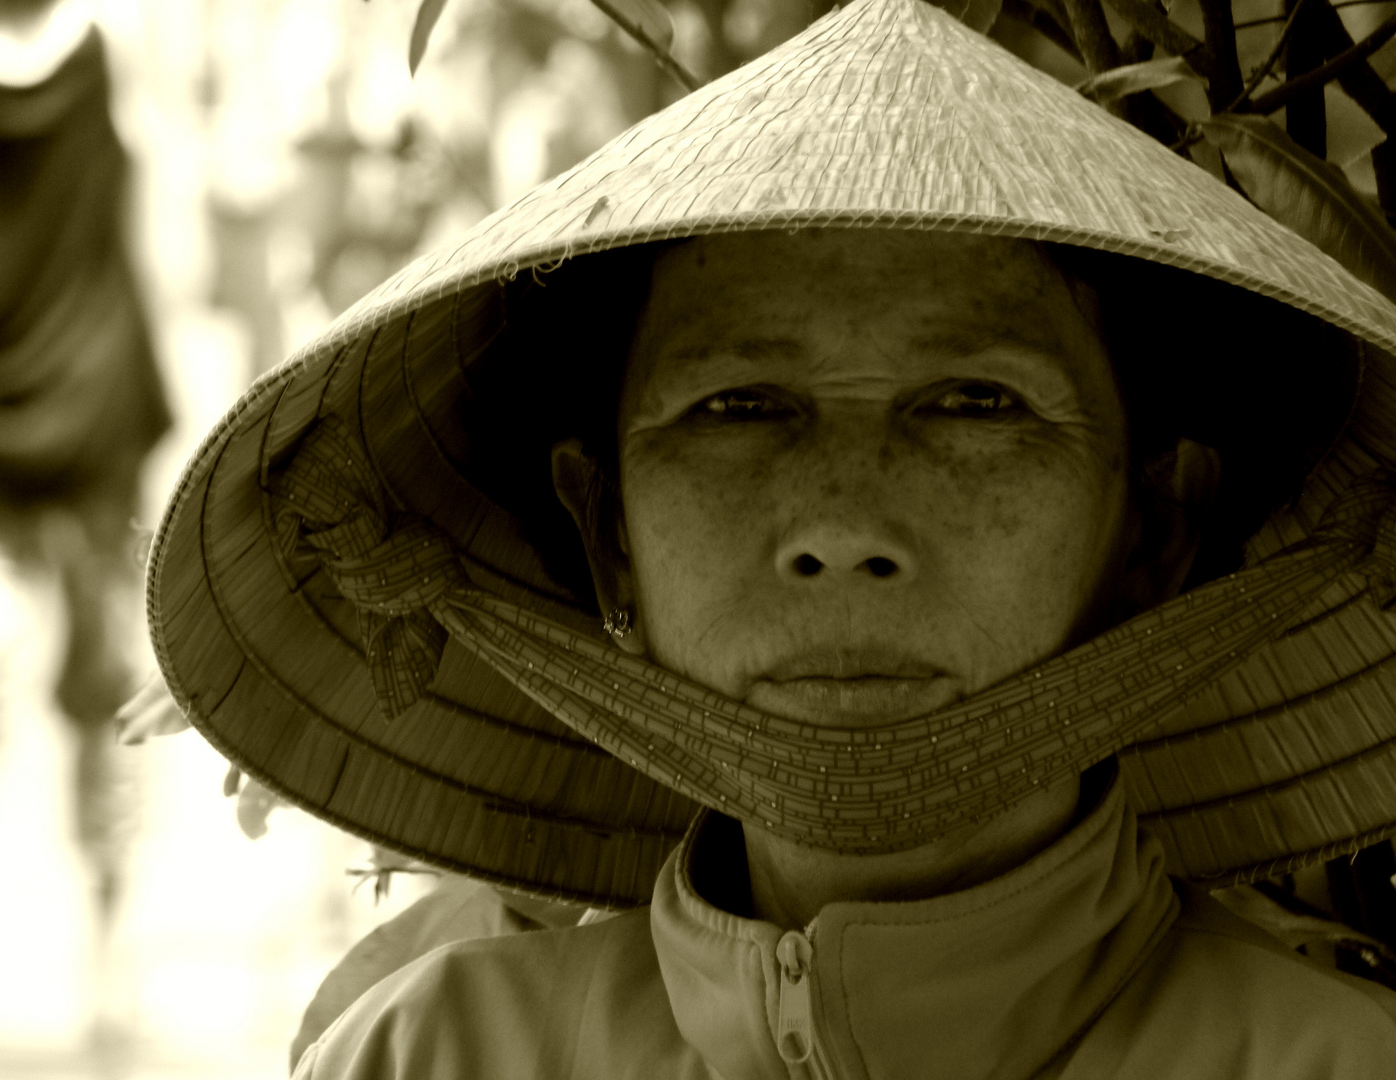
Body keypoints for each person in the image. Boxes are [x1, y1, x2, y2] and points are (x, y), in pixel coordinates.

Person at [147, 0, 1396, 1074]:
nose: (843, 529)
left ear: (1157, 531)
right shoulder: (431, 1061)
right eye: (739, 409)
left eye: (974, 406)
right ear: (608, 534)